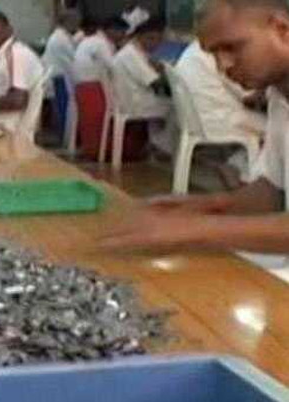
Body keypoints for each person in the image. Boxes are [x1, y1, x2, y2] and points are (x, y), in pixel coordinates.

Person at [101, 0, 289, 254]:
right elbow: (274, 191)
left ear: (282, 30)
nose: (223, 65)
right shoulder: (279, 96)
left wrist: (197, 229)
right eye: (214, 54)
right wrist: (209, 205)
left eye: (232, 47)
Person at [176, 38, 267, 187]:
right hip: (220, 119)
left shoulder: (194, 51)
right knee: (277, 128)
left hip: (199, 118)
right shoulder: (218, 53)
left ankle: (235, 165)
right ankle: (239, 170)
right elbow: (248, 96)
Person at [73, 17, 129, 159]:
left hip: (83, 86)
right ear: (111, 30)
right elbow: (114, 67)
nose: (123, 36)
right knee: (98, 120)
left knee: (90, 122)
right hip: (91, 86)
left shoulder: (93, 40)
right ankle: (97, 151)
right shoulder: (102, 44)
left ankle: (92, 150)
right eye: (122, 32)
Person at [111, 18, 171, 146]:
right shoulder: (132, 54)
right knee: (177, 108)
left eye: (159, 40)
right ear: (139, 37)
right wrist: (166, 73)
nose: (155, 43)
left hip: (132, 99)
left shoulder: (135, 52)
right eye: (151, 38)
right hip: (133, 104)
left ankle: (159, 143)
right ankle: (164, 146)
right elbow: (155, 82)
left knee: (170, 104)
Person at [43, 9, 82, 81]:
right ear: (68, 22)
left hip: (55, 75)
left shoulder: (59, 35)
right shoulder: (61, 38)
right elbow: (74, 58)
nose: (77, 26)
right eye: (75, 22)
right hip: (59, 77)